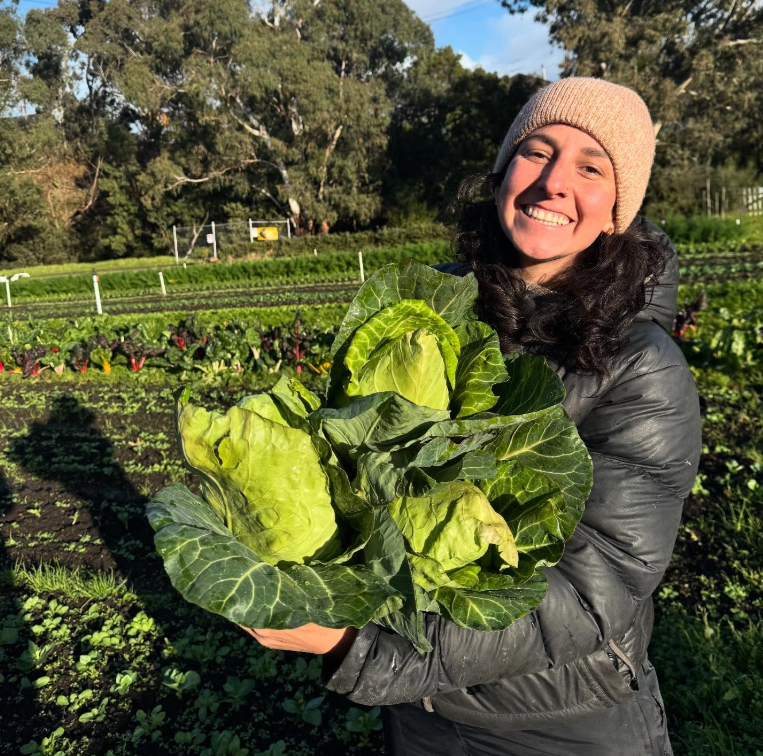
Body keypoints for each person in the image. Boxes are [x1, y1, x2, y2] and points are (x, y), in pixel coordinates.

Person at [241, 77, 702, 756]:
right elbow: (357, 464)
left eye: (590, 167)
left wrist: (359, 648)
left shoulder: (642, 367)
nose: (552, 182)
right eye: (536, 151)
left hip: (559, 721)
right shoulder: (429, 315)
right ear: (500, 172)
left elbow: (589, 592)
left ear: (617, 212)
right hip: (420, 712)